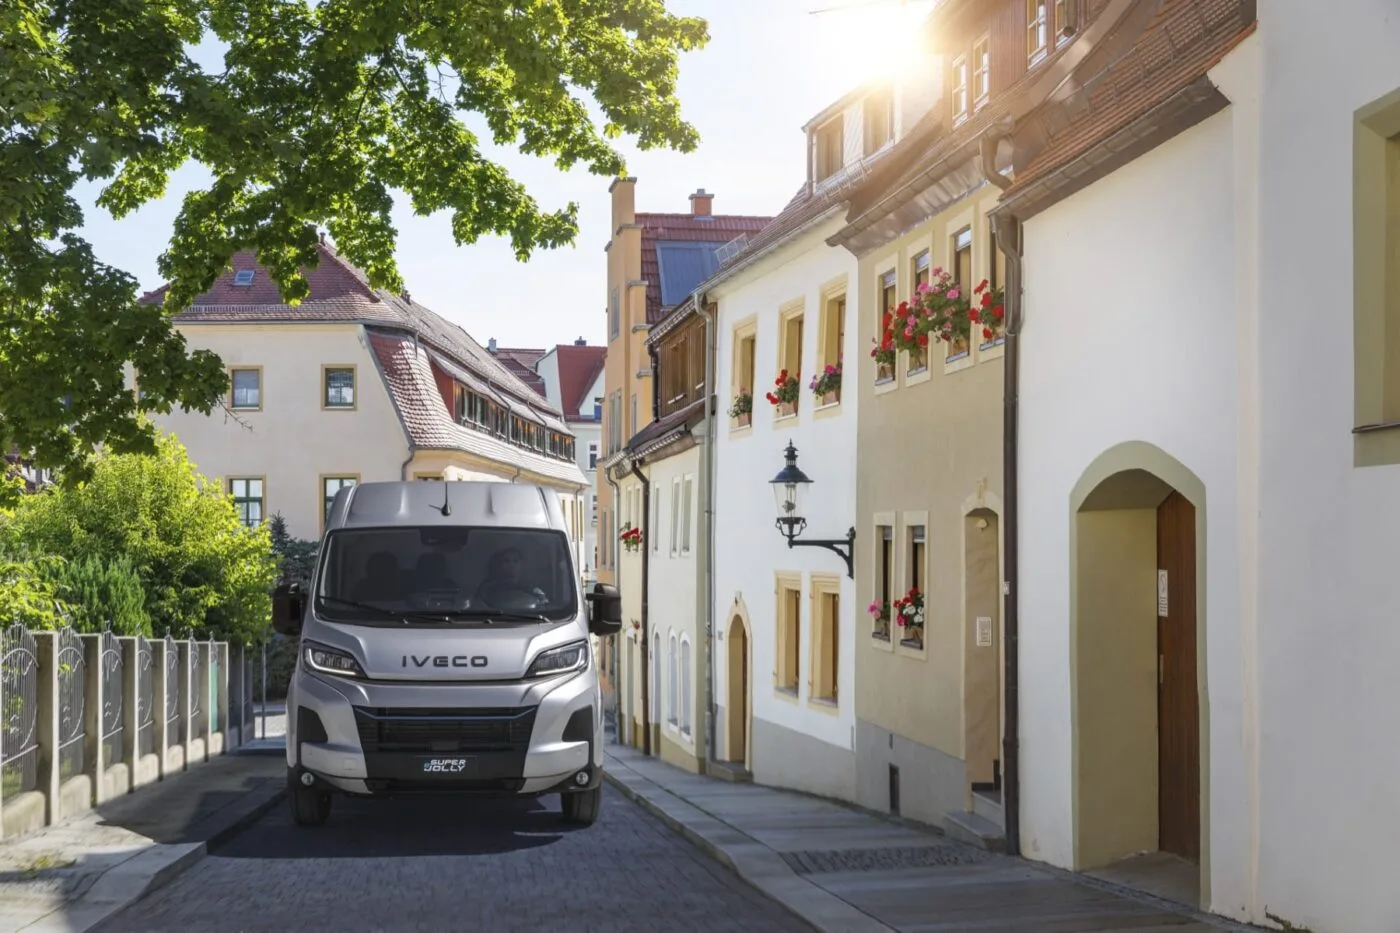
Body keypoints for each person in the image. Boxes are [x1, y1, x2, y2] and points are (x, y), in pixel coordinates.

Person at [474, 546, 547, 608]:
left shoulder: (533, 591)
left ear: (521, 564)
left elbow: (543, 609)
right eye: (507, 561)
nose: (511, 565)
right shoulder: (487, 588)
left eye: (515, 561)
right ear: (500, 564)